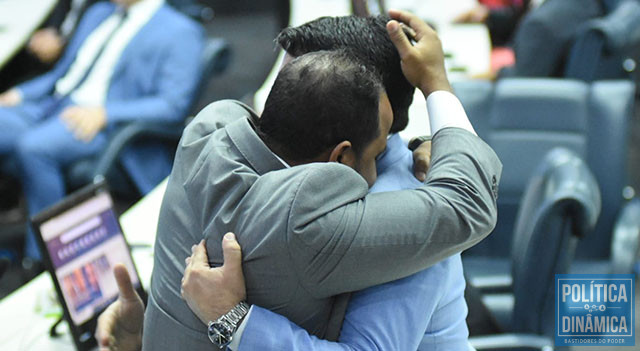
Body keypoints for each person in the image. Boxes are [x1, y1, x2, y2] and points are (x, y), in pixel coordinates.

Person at [141, 7, 501, 351]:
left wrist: (232, 320)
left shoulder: (409, 213)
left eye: (307, 84)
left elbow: (466, 203)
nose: (286, 100)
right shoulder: (284, 179)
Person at [0, 0, 204, 260]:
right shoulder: (100, 13)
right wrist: (21, 93)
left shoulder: (180, 30)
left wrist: (106, 113)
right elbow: (64, 73)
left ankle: (42, 258)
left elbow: (173, 105)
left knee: (35, 148)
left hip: (97, 120)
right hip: (51, 104)